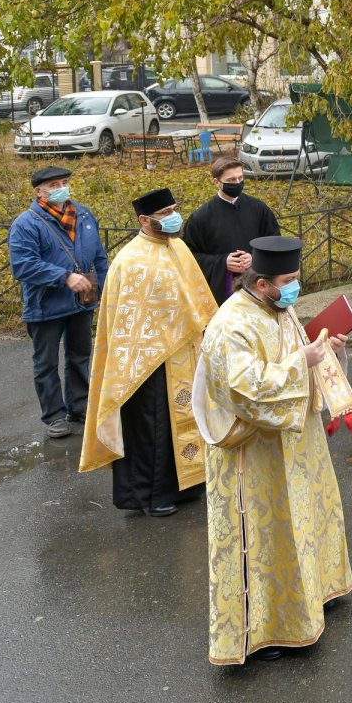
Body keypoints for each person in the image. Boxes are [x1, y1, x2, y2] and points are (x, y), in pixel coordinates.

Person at [193, 236, 352, 665]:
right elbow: (245, 391)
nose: (295, 288)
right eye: (289, 281)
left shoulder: (280, 308)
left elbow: (301, 350)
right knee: (268, 537)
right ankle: (268, 628)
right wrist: (304, 361)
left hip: (296, 442)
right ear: (261, 284)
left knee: (306, 518)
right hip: (254, 453)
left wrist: (326, 350)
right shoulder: (232, 324)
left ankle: (315, 593)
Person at [78, 188, 217, 517]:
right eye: (165, 212)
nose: (173, 217)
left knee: (190, 417)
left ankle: (189, 484)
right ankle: (153, 495)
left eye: (174, 209)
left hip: (184, 353)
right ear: (144, 220)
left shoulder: (179, 247)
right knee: (153, 429)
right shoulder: (132, 260)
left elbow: (196, 298)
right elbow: (125, 322)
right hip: (146, 362)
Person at [8, 165, 109, 439]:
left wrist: (104, 285)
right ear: (38, 191)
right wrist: (64, 277)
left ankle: (79, 405)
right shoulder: (26, 223)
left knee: (79, 356)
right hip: (46, 305)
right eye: (54, 185)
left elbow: (98, 255)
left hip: (81, 302)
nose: (61, 188)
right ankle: (54, 415)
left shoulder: (84, 215)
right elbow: (23, 265)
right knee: (46, 362)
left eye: (64, 182)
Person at [182, 155, 280, 304]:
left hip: (259, 288)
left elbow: (275, 241)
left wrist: (255, 258)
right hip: (221, 294)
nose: (237, 183)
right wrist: (222, 262)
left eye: (240, 178)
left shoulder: (258, 208)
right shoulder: (200, 218)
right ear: (216, 182)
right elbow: (188, 257)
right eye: (231, 180)